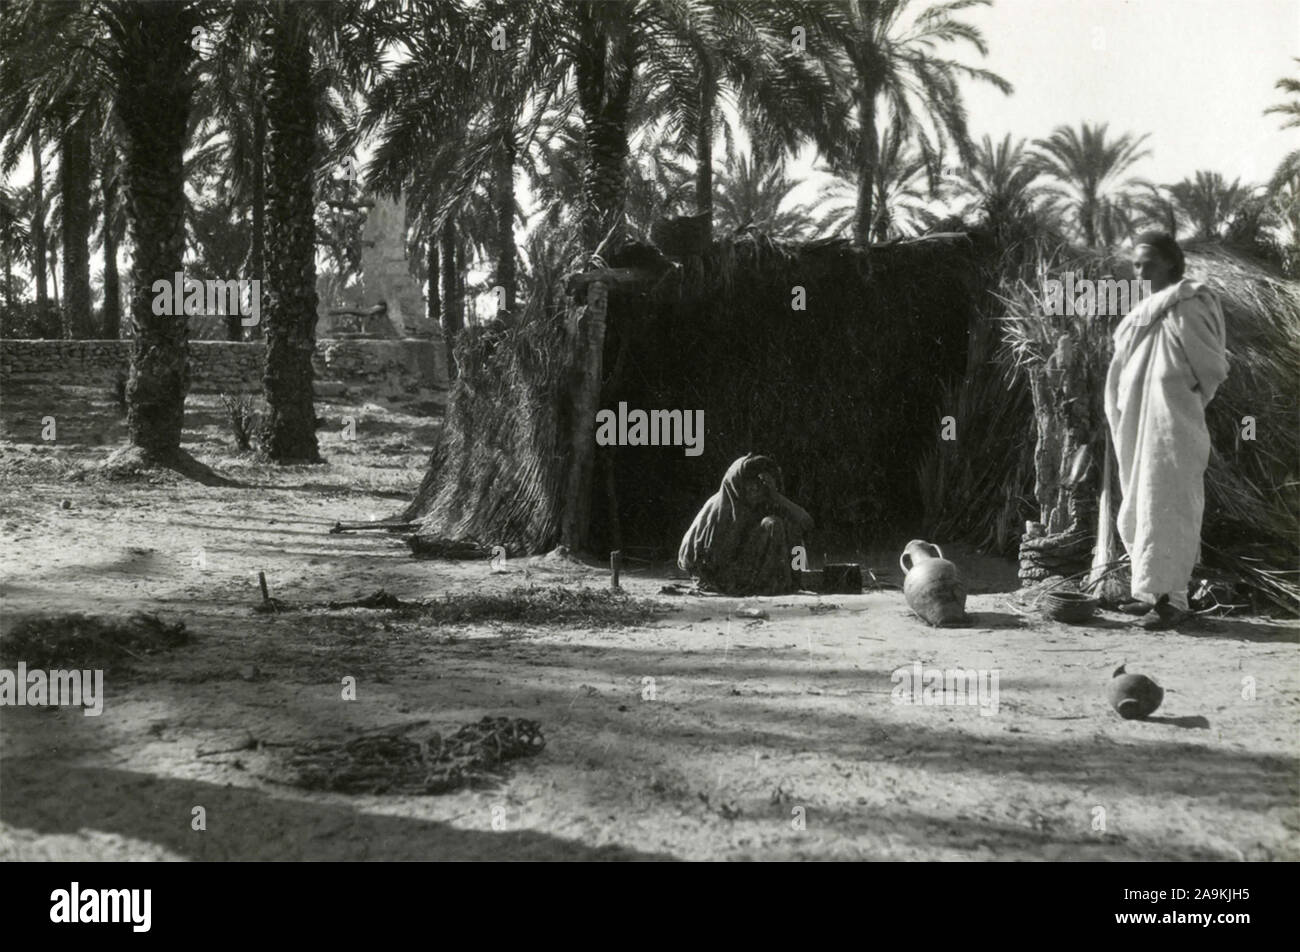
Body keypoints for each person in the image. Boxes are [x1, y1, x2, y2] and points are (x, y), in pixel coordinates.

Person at [1103, 232, 1229, 630]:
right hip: (1138, 424)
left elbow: (1211, 365)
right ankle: (1148, 593)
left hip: (1173, 424)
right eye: (1136, 265)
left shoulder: (1189, 303)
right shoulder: (1139, 315)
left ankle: (1172, 601)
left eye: (1150, 265)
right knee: (1140, 501)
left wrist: (1174, 387)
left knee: (1170, 503)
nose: (1141, 272)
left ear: (1172, 266)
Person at [678, 453, 814, 596]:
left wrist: (777, 497)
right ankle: (770, 586)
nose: (755, 488)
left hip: (742, 568)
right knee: (773, 524)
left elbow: (806, 522)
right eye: (749, 482)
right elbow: (703, 561)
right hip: (719, 574)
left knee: (785, 523)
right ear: (738, 483)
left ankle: (792, 582)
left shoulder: (763, 502)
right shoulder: (723, 507)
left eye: (759, 482)